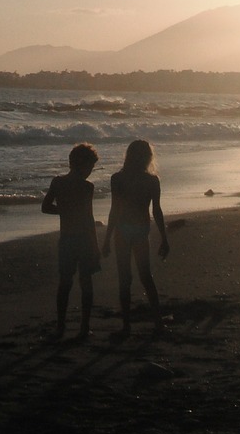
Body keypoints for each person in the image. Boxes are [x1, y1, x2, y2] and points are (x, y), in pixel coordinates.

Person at [101, 138, 169, 336]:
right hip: (140, 230)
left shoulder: (118, 178)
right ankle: (157, 322)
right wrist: (164, 238)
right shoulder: (151, 180)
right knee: (146, 276)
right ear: (147, 157)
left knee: (125, 278)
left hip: (122, 231)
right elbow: (157, 211)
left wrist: (106, 239)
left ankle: (126, 325)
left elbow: (115, 211)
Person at [41, 142, 101, 340]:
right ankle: (84, 326)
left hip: (66, 238)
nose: (91, 171)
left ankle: (61, 326)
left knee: (64, 283)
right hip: (84, 238)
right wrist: (95, 244)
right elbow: (89, 217)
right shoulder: (87, 187)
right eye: (91, 167)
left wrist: (63, 211)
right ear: (84, 165)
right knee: (86, 282)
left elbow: (46, 207)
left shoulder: (57, 182)